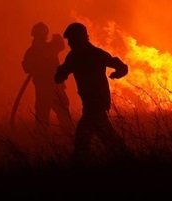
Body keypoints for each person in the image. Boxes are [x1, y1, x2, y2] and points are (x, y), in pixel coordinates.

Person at [54, 22, 129, 161]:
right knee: (99, 137)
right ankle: (125, 159)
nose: (69, 43)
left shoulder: (87, 55)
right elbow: (60, 76)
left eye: (71, 39)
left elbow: (121, 66)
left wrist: (118, 73)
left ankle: (125, 159)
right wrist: (117, 73)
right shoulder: (82, 55)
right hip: (92, 104)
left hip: (96, 104)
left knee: (86, 140)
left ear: (80, 38)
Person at [22, 22, 75, 137]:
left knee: (61, 116)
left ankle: (68, 138)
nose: (42, 37)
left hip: (54, 87)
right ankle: (43, 142)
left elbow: (61, 46)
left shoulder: (48, 47)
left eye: (43, 34)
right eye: (40, 35)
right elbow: (26, 67)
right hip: (46, 88)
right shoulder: (35, 51)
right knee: (44, 117)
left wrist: (58, 39)